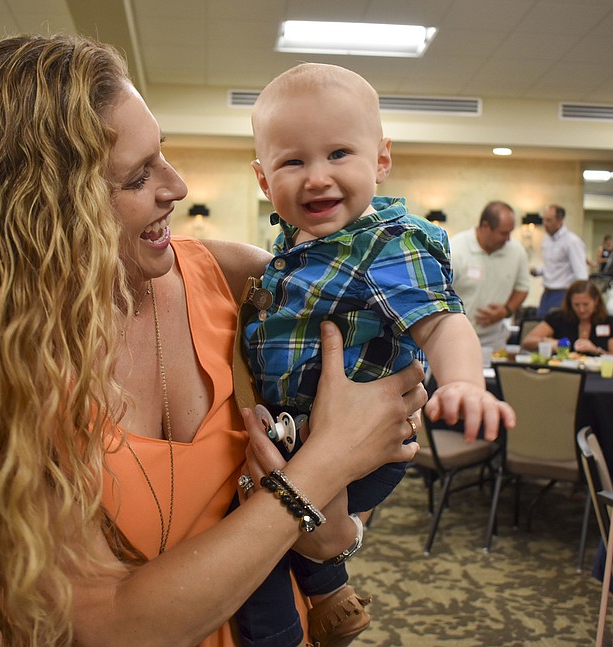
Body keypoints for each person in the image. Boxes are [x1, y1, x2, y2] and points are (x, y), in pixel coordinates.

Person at [0, 34, 432, 647]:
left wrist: (341, 531)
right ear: (45, 212)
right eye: (136, 177)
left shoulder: (236, 280)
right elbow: (108, 624)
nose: (177, 187)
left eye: (164, 155)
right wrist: (318, 475)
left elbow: (375, 420)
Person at [239, 63, 514, 647]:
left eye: (339, 153)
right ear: (264, 180)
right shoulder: (293, 246)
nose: (317, 177)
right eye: (294, 162)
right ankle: (330, 595)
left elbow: (442, 323)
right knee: (267, 538)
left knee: (250, 544)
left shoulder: (386, 246)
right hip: (304, 437)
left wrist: (464, 382)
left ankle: (288, 631)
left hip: (362, 446)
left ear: (381, 159)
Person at [450, 201, 530, 350]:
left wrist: (506, 310)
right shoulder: (455, 249)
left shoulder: (516, 252)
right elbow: (438, 294)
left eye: (510, 232)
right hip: (455, 338)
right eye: (503, 233)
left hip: (494, 339)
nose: (508, 239)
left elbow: (522, 288)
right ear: (486, 226)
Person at [521, 279, 613, 355]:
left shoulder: (608, 321)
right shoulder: (558, 318)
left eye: (586, 304)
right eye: (576, 305)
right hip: (563, 372)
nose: (581, 309)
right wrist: (550, 342)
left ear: (596, 301)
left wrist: (596, 350)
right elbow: (527, 342)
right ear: (570, 303)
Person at [532, 204, 588, 318]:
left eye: (549, 220)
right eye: (543, 220)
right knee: (540, 324)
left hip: (563, 293)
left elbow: (581, 275)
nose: (545, 224)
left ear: (560, 220)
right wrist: (537, 271)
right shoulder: (547, 239)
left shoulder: (572, 241)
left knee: (557, 329)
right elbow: (553, 265)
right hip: (547, 292)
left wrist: (579, 300)